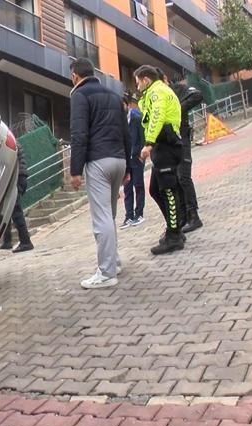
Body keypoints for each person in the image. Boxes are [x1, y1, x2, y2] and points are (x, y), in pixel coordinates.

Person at [68, 57, 131, 289]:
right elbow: (126, 133)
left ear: (75, 75)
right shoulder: (114, 96)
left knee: (101, 218)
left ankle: (106, 273)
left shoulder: (79, 95)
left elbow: (79, 133)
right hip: (119, 161)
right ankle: (113, 263)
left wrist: (75, 170)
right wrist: (129, 168)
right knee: (110, 216)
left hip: (98, 162)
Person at [135, 65, 186, 255]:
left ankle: (174, 235)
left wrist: (149, 143)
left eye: (138, 81)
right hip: (163, 146)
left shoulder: (157, 93)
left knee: (168, 191)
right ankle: (174, 228)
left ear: (145, 80)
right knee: (155, 190)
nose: (137, 85)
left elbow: (157, 116)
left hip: (166, 145)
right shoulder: (155, 92)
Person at [169, 79, 204, 233]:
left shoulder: (177, 89)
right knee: (176, 179)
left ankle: (193, 215)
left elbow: (197, 95)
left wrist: (178, 108)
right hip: (171, 142)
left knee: (184, 176)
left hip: (182, 138)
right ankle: (183, 217)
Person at [0, 146, 34, 253]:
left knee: (15, 211)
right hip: (20, 177)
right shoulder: (13, 142)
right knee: (8, 211)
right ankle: (7, 241)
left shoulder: (8, 143)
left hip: (16, 177)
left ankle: (25, 242)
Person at [120, 93, 146, 229]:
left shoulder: (137, 118)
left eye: (122, 105)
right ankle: (128, 216)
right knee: (127, 188)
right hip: (125, 160)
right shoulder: (119, 121)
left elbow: (143, 137)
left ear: (128, 105)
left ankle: (139, 213)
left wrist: (142, 155)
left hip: (136, 157)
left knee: (138, 185)